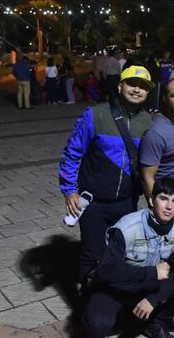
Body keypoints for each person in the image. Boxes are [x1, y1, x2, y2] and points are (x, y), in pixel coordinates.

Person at [72, 177, 174, 338]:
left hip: (146, 288)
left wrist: (154, 299)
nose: (169, 206)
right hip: (116, 288)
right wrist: (151, 273)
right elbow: (105, 271)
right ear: (151, 200)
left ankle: (153, 323)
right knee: (98, 323)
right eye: (163, 198)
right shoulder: (127, 228)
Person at [60, 65, 155, 286]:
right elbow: (71, 153)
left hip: (127, 201)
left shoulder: (149, 122)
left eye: (143, 87)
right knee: (92, 254)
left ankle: (112, 302)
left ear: (148, 92)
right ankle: (86, 303)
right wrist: (70, 190)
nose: (137, 90)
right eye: (132, 83)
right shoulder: (95, 114)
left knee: (121, 254)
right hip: (93, 202)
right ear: (120, 86)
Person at [139, 78, 174, 224]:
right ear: (164, 98)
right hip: (172, 202)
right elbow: (147, 177)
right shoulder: (155, 133)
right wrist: (158, 211)